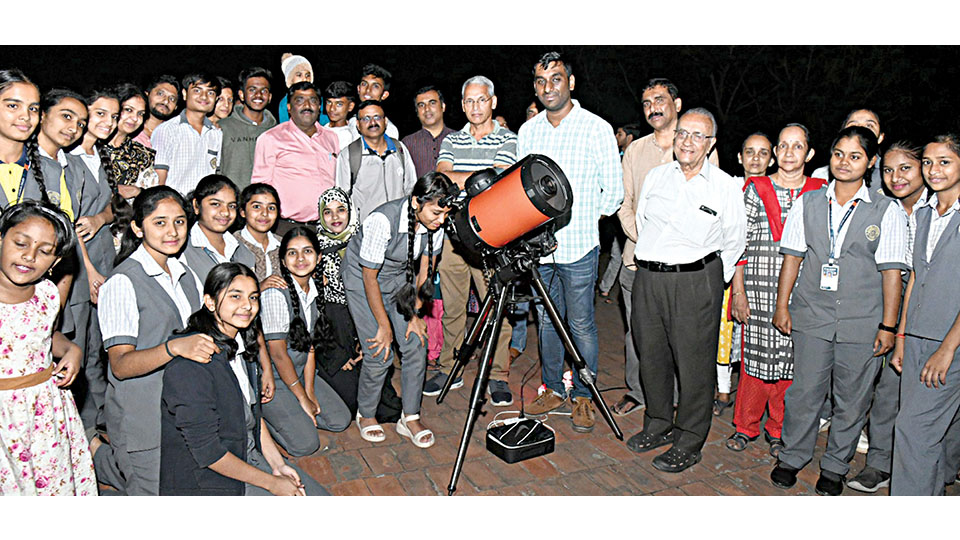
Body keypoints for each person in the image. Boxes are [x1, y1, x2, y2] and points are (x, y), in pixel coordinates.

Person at [770, 126, 907, 496]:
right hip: (812, 314)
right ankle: (791, 457)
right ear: (829, 157)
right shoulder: (810, 202)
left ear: (871, 162)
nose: (845, 163)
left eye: (855, 156)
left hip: (862, 321)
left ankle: (835, 465)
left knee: (852, 397)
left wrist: (888, 326)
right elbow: (792, 258)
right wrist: (782, 306)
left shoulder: (885, 209)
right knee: (805, 392)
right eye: (839, 154)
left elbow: (892, 272)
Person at [626, 108, 745, 472]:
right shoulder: (657, 177)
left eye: (697, 136)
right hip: (649, 278)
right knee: (652, 356)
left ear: (710, 144)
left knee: (694, 365)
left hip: (696, 281)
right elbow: (644, 221)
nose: (687, 142)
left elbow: (734, 240)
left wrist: (705, 278)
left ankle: (690, 439)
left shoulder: (725, 185)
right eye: (682, 134)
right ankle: (659, 424)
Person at [518, 52, 623, 434]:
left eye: (556, 79)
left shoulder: (597, 128)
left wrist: (580, 216)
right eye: (542, 81)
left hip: (579, 246)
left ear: (571, 82)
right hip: (539, 248)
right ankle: (551, 386)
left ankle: (582, 393)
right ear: (535, 87)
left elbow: (613, 194)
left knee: (580, 324)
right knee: (546, 321)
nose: (549, 87)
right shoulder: (528, 132)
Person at [160, 262, 327, 495]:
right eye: (235, 296)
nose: (247, 306)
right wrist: (271, 483)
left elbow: (253, 416)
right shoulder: (191, 367)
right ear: (209, 302)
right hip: (209, 477)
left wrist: (278, 465)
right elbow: (208, 453)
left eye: (253, 297)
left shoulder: (242, 345)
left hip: (246, 452)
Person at [95, 186, 214, 495]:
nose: (172, 231)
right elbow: (120, 365)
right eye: (159, 222)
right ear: (138, 227)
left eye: (179, 221)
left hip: (181, 409)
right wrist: (174, 347)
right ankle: (100, 457)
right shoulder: (122, 282)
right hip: (143, 419)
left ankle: (105, 462)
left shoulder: (185, 273)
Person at [612, 78, 719, 418]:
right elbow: (623, 203)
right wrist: (647, 241)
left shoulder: (699, 147)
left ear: (677, 104)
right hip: (638, 262)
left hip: (685, 267)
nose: (653, 107)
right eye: (646, 103)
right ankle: (638, 392)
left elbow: (711, 205)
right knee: (639, 335)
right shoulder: (635, 150)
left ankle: (679, 398)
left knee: (682, 337)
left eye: (660, 100)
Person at [726, 124, 825, 456]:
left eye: (797, 147)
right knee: (755, 362)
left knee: (791, 364)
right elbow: (739, 243)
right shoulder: (756, 188)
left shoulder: (820, 191)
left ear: (809, 154)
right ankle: (745, 426)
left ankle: (779, 429)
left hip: (803, 294)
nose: (788, 153)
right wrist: (738, 292)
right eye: (783, 146)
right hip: (757, 290)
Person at [342, 172, 457, 448]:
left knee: (415, 341)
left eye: (445, 214)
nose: (440, 220)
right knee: (379, 350)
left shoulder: (436, 225)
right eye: (435, 212)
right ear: (417, 202)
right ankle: (366, 413)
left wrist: (415, 317)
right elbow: (370, 277)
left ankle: (411, 416)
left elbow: (424, 273)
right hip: (361, 279)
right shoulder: (383, 220)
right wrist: (384, 327)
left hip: (396, 280)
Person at [425, 75, 518, 405]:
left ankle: (498, 375)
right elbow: (443, 176)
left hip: (492, 236)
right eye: (469, 101)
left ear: (493, 102)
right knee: (451, 307)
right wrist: (479, 179)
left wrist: (468, 180)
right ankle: (450, 367)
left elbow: (499, 182)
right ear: (462, 104)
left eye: (481, 100)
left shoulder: (508, 139)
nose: (475, 107)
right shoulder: (453, 140)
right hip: (453, 233)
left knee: (496, 307)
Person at [846, 141, 928, 493]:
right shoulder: (886, 209)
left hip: (932, 307)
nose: (896, 177)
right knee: (888, 390)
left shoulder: (938, 208)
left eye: (905, 168)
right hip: (891, 303)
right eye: (889, 170)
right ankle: (879, 463)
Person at [0, 200, 95, 495]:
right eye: (20, 243)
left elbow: (44, 334)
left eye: (44, 251)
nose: (29, 256)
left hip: (43, 417)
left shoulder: (47, 294)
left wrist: (71, 349)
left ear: (55, 262)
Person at [890, 135, 960, 496]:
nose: (934, 170)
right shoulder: (924, 214)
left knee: (913, 429)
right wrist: (902, 336)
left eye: (945, 161)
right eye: (929, 162)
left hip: (951, 341)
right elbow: (915, 276)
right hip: (917, 335)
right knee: (929, 435)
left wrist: (947, 349)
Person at [259, 227, 353, 456]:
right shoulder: (275, 294)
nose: (300, 259)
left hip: (299, 372)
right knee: (306, 445)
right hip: (276, 381)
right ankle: (261, 418)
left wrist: (309, 392)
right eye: (292, 253)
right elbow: (278, 355)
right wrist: (301, 397)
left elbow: (311, 347)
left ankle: (295, 416)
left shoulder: (314, 288)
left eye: (307, 251)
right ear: (282, 259)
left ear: (319, 257)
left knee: (341, 420)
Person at [315, 187, 402, 421]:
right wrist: (338, 353)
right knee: (350, 403)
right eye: (328, 212)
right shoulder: (314, 250)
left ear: (351, 212)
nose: (335, 218)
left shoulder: (366, 241)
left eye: (341, 210)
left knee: (388, 407)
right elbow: (315, 311)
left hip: (364, 315)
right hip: (333, 333)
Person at [68, 88, 123, 434]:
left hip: (106, 255)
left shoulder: (98, 154)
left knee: (101, 343)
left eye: (114, 116)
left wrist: (102, 218)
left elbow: (110, 206)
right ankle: (85, 427)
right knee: (82, 345)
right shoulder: (68, 158)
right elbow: (69, 221)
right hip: (82, 265)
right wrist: (87, 272)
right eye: (101, 114)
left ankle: (103, 414)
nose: (109, 122)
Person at [714, 132, 777, 417]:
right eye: (749, 152)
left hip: (763, 277)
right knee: (723, 332)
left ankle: (756, 397)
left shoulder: (776, 189)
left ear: (772, 158)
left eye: (763, 152)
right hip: (728, 272)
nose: (755, 158)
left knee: (754, 335)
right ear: (739, 157)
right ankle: (723, 390)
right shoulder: (726, 187)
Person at [250, 81, 339, 235]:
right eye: (299, 100)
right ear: (289, 108)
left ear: (319, 107)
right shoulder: (271, 138)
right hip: (285, 228)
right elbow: (260, 188)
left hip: (326, 229)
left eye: (313, 100)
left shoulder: (331, 138)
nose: (307, 105)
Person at [335, 100, 416, 222]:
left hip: (399, 226)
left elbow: (411, 188)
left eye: (377, 117)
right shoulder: (349, 154)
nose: (372, 123)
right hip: (366, 229)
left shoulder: (399, 149)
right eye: (366, 118)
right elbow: (341, 197)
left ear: (385, 121)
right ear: (358, 124)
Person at [152, 73, 222, 196]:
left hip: (203, 208)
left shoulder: (216, 134)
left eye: (210, 92)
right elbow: (158, 179)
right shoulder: (167, 130)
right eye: (197, 90)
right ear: (185, 94)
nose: (204, 97)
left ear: (216, 99)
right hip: (175, 206)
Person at [179, 174, 256, 282]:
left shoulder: (243, 251)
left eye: (231, 206)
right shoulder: (181, 249)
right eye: (215, 204)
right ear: (196, 205)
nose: (225, 212)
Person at [218, 67, 277, 191]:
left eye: (264, 91)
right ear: (241, 95)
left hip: (265, 205)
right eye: (252, 89)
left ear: (270, 97)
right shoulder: (222, 128)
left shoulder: (277, 132)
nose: (258, 95)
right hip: (232, 203)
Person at [106, 83, 158, 202]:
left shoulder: (143, 156)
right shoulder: (90, 146)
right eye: (128, 110)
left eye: (140, 114)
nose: (135, 118)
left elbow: (151, 200)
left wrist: (137, 191)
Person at [812, 108, 885, 186]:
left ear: (881, 137)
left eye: (869, 125)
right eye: (853, 125)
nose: (860, 129)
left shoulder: (888, 175)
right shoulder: (822, 176)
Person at [232, 183, 283, 285]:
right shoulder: (232, 245)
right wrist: (259, 288)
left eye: (271, 208)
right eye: (257, 207)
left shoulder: (284, 244)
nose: (265, 213)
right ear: (242, 212)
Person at [401, 85, 454, 178]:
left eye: (432, 103)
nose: (427, 109)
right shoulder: (407, 143)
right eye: (421, 105)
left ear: (443, 106)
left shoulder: (460, 139)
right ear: (417, 112)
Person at [347, 63, 400, 139]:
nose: (368, 89)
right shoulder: (351, 122)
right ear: (358, 89)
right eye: (364, 84)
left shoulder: (389, 130)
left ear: (384, 95)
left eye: (375, 86)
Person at [276, 53, 327, 125]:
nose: (304, 79)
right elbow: (285, 127)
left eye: (307, 75)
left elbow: (326, 122)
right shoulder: (284, 103)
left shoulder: (318, 98)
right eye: (299, 75)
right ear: (290, 79)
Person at [132, 75, 179, 149]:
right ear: (147, 94)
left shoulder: (176, 138)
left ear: (175, 107)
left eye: (172, 99)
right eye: (160, 94)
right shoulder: (129, 126)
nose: (166, 101)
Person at [323, 80, 357, 150]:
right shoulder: (323, 127)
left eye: (339, 104)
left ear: (350, 106)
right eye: (329, 102)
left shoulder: (348, 138)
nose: (332, 108)